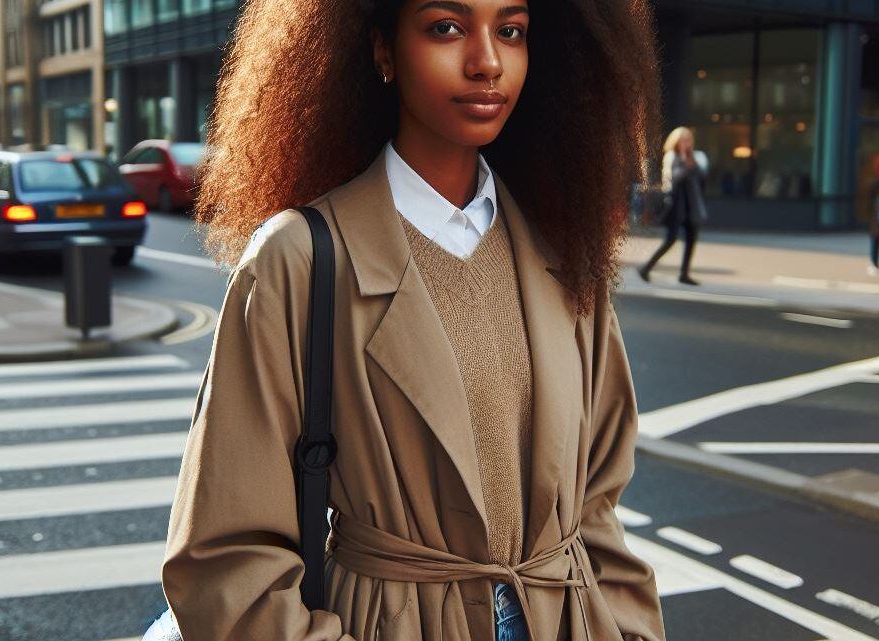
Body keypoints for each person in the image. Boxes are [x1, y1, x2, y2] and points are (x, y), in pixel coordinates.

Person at [157, 1, 667, 640]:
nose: (487, 62)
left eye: (511, 31)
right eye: (446, 28)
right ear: (382, 51)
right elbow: (225, 556)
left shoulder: (565, 255)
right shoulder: (301, 258)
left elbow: (597, 506)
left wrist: (631, 630)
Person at [637, 126, 708, 286]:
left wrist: (691, 163)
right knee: (670, 239)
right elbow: (673, 179)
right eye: (683, 140)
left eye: (689, 140)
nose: (687, 143)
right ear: (676, 141)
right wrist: (684, 161)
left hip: (691, 205)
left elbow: (701, 177)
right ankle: (646, 268)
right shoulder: (672, 156)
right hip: (676, 205)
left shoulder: (693, 158)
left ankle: (684, 274)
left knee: (691, 238)